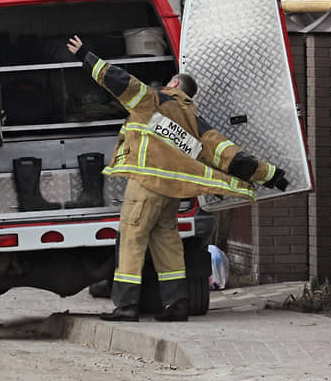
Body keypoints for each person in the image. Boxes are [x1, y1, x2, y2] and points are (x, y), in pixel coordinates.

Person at [66, 35, 288, 322]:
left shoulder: (153, 100)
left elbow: (120, 81)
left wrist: (87, 55)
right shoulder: (197, 121)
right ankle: (176, 304)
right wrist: (269, 174)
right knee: (166, 240)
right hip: (171, 192)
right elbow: (229, 154)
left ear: (173, 84)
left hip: (145, 183)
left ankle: (126, 306)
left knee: (132, 238)